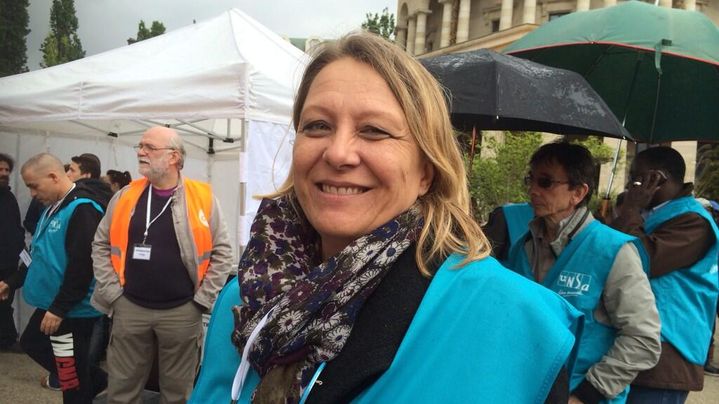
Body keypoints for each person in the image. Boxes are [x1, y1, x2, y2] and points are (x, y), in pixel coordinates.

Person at [192, 32, 583, 404]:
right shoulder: (244, 302)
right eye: (318, 126)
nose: (338, 153)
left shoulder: (521, 326)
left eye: (374, 131)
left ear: (426, 171)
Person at [505, 142, 661, 403]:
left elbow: (643, 339)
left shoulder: (613, 252)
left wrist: (586, 395)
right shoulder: (524, 247)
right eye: (530, 179)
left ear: (577, 192)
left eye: (545, 182)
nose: (532, 190)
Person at [91, 126, 234, 403]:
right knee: (121, 391)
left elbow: (223, 253)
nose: (141, 152)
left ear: (173, 157)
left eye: (149, 147)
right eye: (140, 146)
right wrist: (113, 295)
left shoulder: (202, 198)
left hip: (182, 310)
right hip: (129, 306)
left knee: (177, 394)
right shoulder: (125, 197)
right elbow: (100, 244)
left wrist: (202, 300)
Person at [609, 146, 719, 403]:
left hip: (667, 351)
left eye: (636, 177)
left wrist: (631, 210)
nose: (630, 185)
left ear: (657, 178)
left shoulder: (693, 221)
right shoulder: (651, 214)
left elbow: (639, 260)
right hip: (631, 343)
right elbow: (604, 247)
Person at [0, 153, 107, 403]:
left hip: (71, 308)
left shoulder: (83, 209)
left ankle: (85, 386)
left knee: (68, 370)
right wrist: (12, 281)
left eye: (34, 186)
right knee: (41, 347)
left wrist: (59, 308)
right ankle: (92, 380)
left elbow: (83, 265)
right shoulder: (52, 208)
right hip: (56, 303)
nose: (32, 193)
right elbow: (36, 251)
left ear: (53, 176)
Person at [0, 153, 25, 351]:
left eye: (7, 170)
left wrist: (20, 245)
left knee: (4, 302)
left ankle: (6, 339)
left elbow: (16, 226)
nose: (4, 173)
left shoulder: (9, 196)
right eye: (0, 169)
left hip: (8, 262)